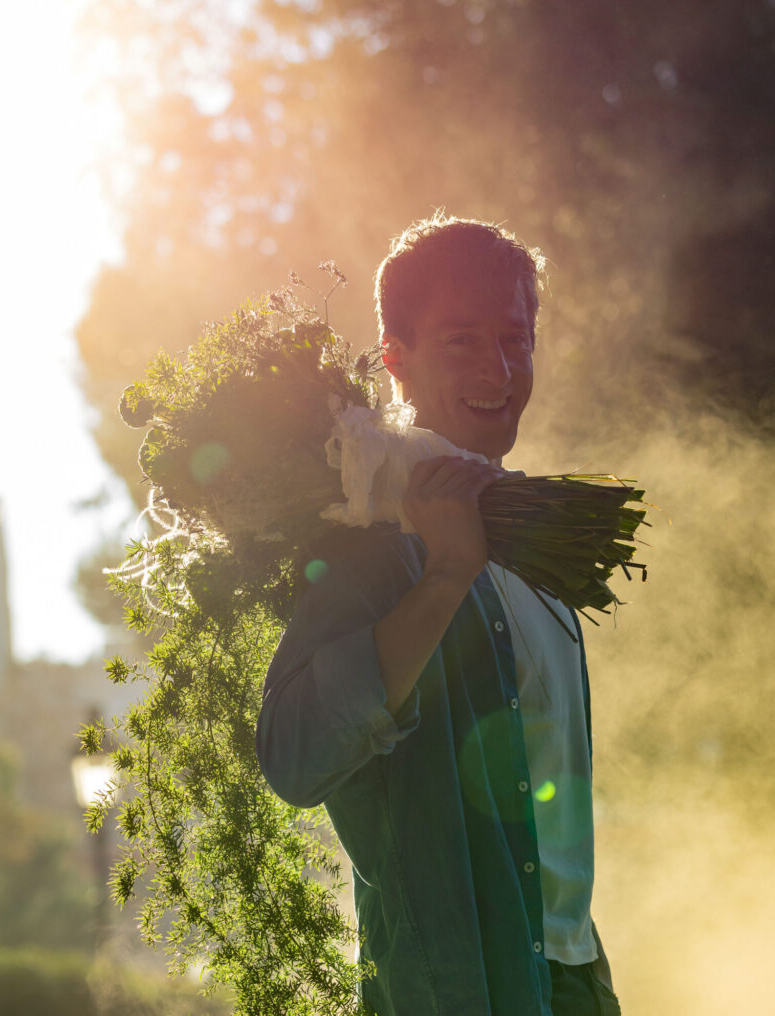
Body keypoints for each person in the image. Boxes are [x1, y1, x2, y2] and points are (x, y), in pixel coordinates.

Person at [256, 214, 621, 1016]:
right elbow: (293, 756)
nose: (498, 367)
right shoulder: (367, 551)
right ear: (396, 361)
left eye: (515, 337)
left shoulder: (538, 555)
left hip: (571, 975)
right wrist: (447, 575)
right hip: (454, 992)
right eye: (461, 341)